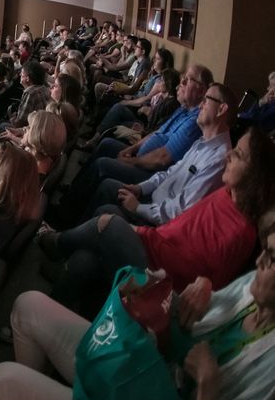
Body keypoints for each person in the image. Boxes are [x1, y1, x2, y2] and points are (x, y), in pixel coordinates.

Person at [0, 227, 275, 400]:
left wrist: (207, 398)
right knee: (28, 305)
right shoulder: (252, 287)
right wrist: (197, 289)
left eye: (272, 258)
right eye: (265, 249)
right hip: (138, 367)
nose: (259, 260)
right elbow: (186, 321)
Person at [42, 126, 275, 308]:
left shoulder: (242, 232)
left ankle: (58, 242)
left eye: (239, 154)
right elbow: (177, 229)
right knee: (86, 259)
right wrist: (142, 230)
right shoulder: (224, 195)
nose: (229, 155)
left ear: (255, 175)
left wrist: (139, 232)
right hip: (154, 248)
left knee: (109, 221)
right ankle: (56, 304)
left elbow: (203, 283)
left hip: (163, 279)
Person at [56, 65, 212, 226]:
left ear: (201, 90)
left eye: (188, 79)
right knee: (107, 144)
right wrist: (130, 149)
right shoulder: (183, 110)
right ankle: (73, 194)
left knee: (102, 166)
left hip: (149, 172)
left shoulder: (194, 123)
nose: (182, 81)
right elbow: (155, 133)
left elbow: (162, 158)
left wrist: (131, 161)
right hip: (141, 158)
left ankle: (66, 218)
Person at [88, 83, 237, 225]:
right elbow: (169, 173)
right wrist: (141, 188)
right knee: (107, 184)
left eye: (206, 100)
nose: (200, 105)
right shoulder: (202, 142)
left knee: (105, 201)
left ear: (221, 109)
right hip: (153, 199)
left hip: (158, 220)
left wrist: (138, 207)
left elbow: (182, 210)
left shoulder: (219, 159)